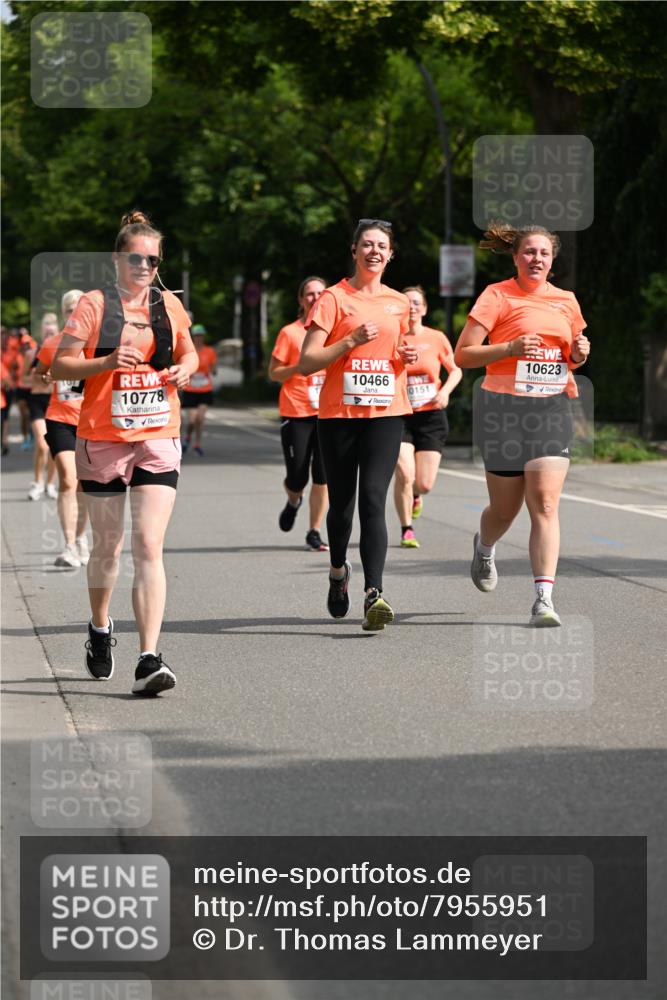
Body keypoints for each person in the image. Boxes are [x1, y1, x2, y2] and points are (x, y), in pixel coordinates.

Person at [51, 210, 198, 694]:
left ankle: (149, 657)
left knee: (149, 546)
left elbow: (189, 352)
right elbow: (60, 365)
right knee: (108, 548)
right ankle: (99, 628)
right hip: (104, 437)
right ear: (118, 258)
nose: (145, 267)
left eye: (153, 261)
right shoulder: (94, 305)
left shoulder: (168, 305)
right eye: (136, 258)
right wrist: (109, 361)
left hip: (158, 434)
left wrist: (184, 370)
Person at [454, 222, 590, 627]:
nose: (537, 259)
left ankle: (543, 599)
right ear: (515, 257)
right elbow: (463, 355)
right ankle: (485, 545)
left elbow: (572, 355)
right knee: (504, 509)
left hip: (550, 409)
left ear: (553, 260)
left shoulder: (566, 301)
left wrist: (580, 353)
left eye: (544, 253)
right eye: (529, 252)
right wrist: (510, 347)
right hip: (503, 410)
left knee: (545, 503)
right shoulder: (496, 296)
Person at [299, 220, 418, 630]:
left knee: (373, 499)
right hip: (338, 417)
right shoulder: (333, 298)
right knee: (343, 507)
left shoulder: (399, 303)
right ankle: (337, 572)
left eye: (381, 246)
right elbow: (307, 361)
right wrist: (349, 342)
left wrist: (408, 356)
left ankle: (375, 593)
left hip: (386, 414)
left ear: (390, 254)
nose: (374, 251)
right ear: (354, 251)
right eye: (366, 244)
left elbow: (400, 353)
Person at [394, 285, 462, 548]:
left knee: (424, 483)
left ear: (424, 308)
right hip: (400, 414)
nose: (412, 307)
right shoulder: (393, 338)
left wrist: (445, 392)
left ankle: (416, 495)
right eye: (407, 303)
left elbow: (455, 370)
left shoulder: (436, 338)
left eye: (416, 303)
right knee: (405, 472)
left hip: (431, 416)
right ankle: (406, 528)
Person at [269, 276, 330, 552]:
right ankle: (294, 500)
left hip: (328, 413)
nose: (315, 298)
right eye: (309, 294)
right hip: (296, 412)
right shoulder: (290, 333)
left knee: (322, 476)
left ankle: (314, 531)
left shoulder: (335, 331)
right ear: (301, 299)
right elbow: (273, 373)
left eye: (320, 293)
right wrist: (300, 366)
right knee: (297, 477)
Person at [34, 289, 89, 568]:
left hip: (91, 421)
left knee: (85, 485)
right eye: (69, 310)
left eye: (78, 309)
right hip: (60, 417)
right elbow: (36, 376)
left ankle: (80, 538)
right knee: (68, 479)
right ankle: (68, 546)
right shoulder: (53, 343)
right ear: (64, 313)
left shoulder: (96, 343)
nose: (73, 314)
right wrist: (44, 376)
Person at [26, 314, 58, 500]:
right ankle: (37, 482)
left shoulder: (63, 350)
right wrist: (37, 378)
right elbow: (21, 379)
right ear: (41, 330)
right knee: (42, 444)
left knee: (53, 445)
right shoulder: (32, 353)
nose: (49, 330)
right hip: (37, 401)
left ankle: (50, 484)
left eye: (52, 327)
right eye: (46, 326)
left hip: (56, 402)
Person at [180, 324, 217, 455]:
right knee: (191, 421)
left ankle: (197, 444)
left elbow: (214, 369)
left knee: (200, 418)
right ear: (193, 337)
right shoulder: (188, 351)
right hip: (190, 389)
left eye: (201, 335)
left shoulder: (210, 351)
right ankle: (188, 437)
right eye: (196, 336)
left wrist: (212, 370)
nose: (199, 338)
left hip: (205, 388)